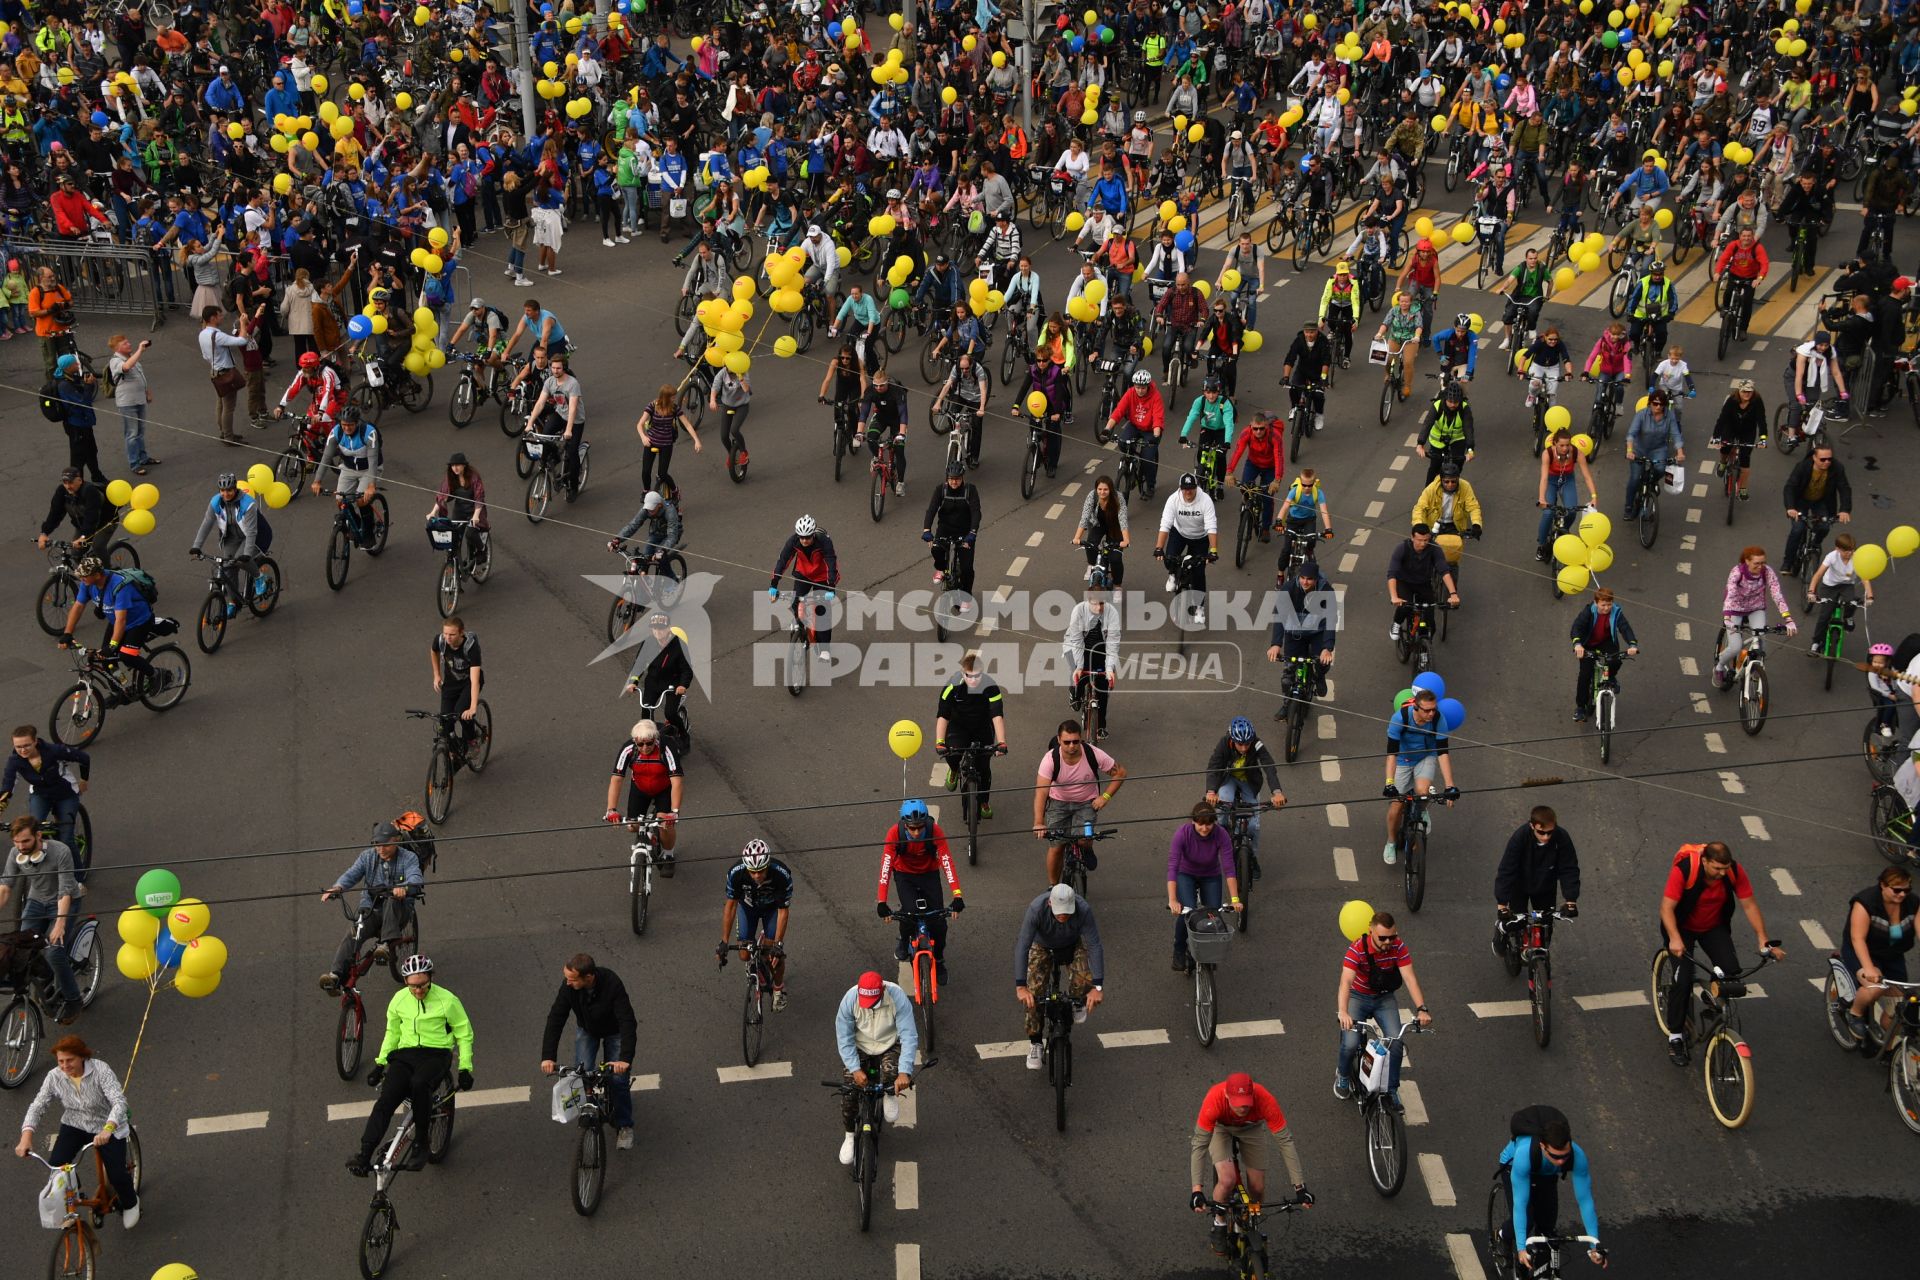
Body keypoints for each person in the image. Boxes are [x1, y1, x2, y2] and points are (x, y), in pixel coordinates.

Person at [1657, 841, 1785, 1064]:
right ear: (1705, 861)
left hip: (1713, 926)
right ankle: (1676, 1035)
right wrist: (1675, 939)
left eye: (1725, 869)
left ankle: (1710, 996)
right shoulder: (1685, 870)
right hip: (1681, 928)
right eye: (1717, 868)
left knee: (1730, 972)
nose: (1722, 873)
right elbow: (1666, 908)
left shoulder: (1733, 871)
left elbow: (1750, 905)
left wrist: (1763, 939)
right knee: (1683, 979)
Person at [349, 955, 475, 1176]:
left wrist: (465, 1068)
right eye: (413, 986)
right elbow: (392, 1033)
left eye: (423, 985)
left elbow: (464, 1035)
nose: (418, 991)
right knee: (387, 1098)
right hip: (405, 1056)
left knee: (419, 1084)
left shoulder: (448, 1000)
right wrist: (380, 1063)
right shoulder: (398, 1000)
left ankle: (421, 1143)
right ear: (406, 981)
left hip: (436, 1054)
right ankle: (364, 1152)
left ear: (431, 978)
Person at [14, 1036, 138, 1227]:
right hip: (75, 1124)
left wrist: (108, 1129)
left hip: (107, 1126)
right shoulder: (54, 1076)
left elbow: (119, 1101)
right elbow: (37, 1106)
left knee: (117, 1175)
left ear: (82, 1057)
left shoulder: (100, 1070)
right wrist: (26, 1137)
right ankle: (75, 1195)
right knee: (57, 1167)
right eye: (60, 1061)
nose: (64, 1066)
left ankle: (131, 1203)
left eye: (69, 1060)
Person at [1188, 1072, 1311, 1255]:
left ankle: (1249, 1217)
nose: (1243, 1107)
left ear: (1252, 1094)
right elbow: (1199, 1146)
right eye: (1238, 1103)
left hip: (1251, 1128)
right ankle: (1219, 1223)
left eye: (1246, 1101)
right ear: (1227, 1096)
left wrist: (1300, 1187)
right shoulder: (1214, 1099)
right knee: (1227, 1180)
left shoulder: (1264, 1099)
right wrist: (1197, 1191)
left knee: (1258, 1187)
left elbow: (1285, 1141)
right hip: (1221, 1129)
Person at [1334, 908, 1433, 1107]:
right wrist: (1343, 1012)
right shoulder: (1356, 949)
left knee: (1395, 1042)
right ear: (1371, 931)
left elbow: (1409, 977)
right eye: (1383, 938)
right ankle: (1342, 1075)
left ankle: (1392, 1089)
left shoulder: (1398, 946)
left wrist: (1422, 1008)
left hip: (1384, 999)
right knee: (1351, 1043)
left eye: (1392, 937)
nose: (1389, 942)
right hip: (1358, 997)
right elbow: (1345, 982)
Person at [539, 953, 638, 1149]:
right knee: (582, 1073)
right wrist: (548, 1056)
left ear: (589, 977)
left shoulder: (612, 984)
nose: (567, 982)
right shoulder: (569, 987)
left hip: (614, 1031)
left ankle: (624, 1125)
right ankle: (590, 1111)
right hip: (588, 1029)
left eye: (572, 979)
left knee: (617, 1080)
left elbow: (627, 1022)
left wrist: (624, 1060)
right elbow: (556, 1018)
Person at [318, 820, 425, 993]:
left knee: (391, 898)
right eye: (377, 845)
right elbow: (352, 874)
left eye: (385, 845)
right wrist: (338, 887)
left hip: (398, 911)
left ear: (396, 841)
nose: (380, 849)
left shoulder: (408, 857)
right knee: (353, 932)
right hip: (371, 910)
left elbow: (415, 877)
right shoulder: (367, 857)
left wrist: (404, 888)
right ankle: (335, 976)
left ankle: (384, 945)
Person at [1495, 1106, 1605, 1273]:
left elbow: (1585, 1201)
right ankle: (1504, 1235)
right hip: (1515, 1167)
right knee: (1527, 1219)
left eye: (1564, 1156)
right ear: (1542, 1146)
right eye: (1555, 1156)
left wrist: (1594, 1245)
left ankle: (1544, 1272)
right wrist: (1521, 1248)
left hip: (1546, 1174)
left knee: (1547, 1229)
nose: (1561, 1162)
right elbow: (1520, 1204)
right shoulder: (1525, 1155)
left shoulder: (1577, 1156)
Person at [0, 816, 85, 1023]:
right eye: (17, 842)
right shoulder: (15, 853)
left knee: (54, 951)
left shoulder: (60, 851)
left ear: (39, 835)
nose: (21, 847)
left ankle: (74, 999)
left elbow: (65, 892)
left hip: (66, 900)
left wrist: (60, 924)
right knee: (23, 947)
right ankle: (47, 979)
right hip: (36, 902)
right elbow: (5, 888)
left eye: (26, 841)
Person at [1014, 882, 1105, 1069]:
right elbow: (1023, 946)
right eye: (1059, 911)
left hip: (1071, 944)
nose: (1063, 915)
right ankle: (1036, 1043)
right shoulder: (1036, 909)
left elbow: (1094, 944)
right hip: (1042, 946)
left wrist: (1098, 987)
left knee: (1083, 979)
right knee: (1033, 994)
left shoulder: (1084, 909)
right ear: (1049, 904)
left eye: (1067, 911)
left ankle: (1077, 1003)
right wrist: (1021, 986)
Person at [832, 970, 918, 1164]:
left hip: (889, 1043)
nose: (869, 1006)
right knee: (850, 1093)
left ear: (883, 990)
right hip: (860, 1045)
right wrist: (855, 1069)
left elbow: (909, 1036)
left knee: (891, 1073)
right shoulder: (849, 999)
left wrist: (904, 1072)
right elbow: (844, 1038)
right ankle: (849, 1136)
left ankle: (889, 1094)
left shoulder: (898, 997)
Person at [1033, 720, 1126, 886]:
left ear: (1081, 739)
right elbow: (1041, 791)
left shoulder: (1093, 754)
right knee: (1057, 846)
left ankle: (1087, 849)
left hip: (1086, 804)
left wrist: (1104, 797)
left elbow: (1120, 773)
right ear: (1059, 740)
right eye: (1066, 742)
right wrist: (1039, 822)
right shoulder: (1050, 760)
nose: (1071, 746)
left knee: (1083, 839)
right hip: (1058, 804)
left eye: (1076, 741)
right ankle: (1053, 887)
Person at [877, 801, 965, 974]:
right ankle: (903, 941)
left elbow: (946, 861)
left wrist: (957, 895)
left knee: (939, 923)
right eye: (912, 828)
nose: (916, 832)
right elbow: (886, 867)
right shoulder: (895, 833)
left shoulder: (935, 831)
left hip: (929, 875)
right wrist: (882, 901)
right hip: (904, 875)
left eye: (920, 827)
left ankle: (939, 959)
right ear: (905, 824)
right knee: (909, 914)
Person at [59, 556, 160, 694]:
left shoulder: (120, 586)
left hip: (138, 622)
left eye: (84, 576)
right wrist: (67, 633)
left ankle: (155, 674)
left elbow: (122, 620)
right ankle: (122, 688)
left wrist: (112, 646)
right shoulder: (87, 583)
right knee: (106, 659)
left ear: (97, 575)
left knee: (127, 656)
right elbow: (78, 607)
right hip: (115, 621)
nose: (81, 578)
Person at [1202, 717, 1286, 880]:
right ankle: (1223, 832)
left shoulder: (1256, 743)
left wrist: (1277, 792)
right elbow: (1213, 767)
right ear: (1232, 739)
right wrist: (1211, 792)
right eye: (1240, 744)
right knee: (1222, 806)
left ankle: (1252, 858)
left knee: (1253, 825)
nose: (1244, 748)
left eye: (1247, 744)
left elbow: (1269, 766)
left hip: (1249, 781)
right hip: (1228, 779)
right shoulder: (1223, 743)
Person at [1382, 688, 1458, 866]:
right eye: (1427, 710)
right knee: (1396, 806)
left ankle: (1422, 810)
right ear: (1416, 707)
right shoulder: (1400, 719)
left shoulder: (1439, 719)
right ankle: (1391, 842)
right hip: (1402, 760)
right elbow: (1391, 754)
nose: (1431, 713)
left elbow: (1443, 753)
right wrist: (1389, 783)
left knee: (1422, 791)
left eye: (1434, 709)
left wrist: (1450, 786)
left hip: (1426, 757)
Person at [1838, 866, 1915, 1041]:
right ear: (1883, 885)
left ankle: (1888, 1051)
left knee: (1900, 1008)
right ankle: (1855, 1014)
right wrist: (1868, 968)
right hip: (1863, 951)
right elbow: (1858, 939)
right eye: (1897, 890)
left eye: (1906, 890)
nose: (1902, 895)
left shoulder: (1913, 903)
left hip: (1892, 954)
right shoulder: (1865, 902)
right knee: (1875, 988)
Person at [1493, 807, 1582, 955]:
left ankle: (1540, 964)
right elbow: (1506, 870)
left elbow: (1569, 868)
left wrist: (1571, 900)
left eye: (1550, 832)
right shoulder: (1519, 838)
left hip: (1545, 886)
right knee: (1518, 922)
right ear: (1532, 826)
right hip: (1519, 885)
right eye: (1541, 832)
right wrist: (1502, 904)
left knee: (1546, 926)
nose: (1546, 837)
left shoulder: (1562, 837)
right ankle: (1502, 929)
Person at [1167, 802, 1242, 970]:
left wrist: (1235, 899)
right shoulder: (1182, 834)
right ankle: (1179, 950)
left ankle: (1209, 951)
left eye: (1209, 823)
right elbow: (1172, 867)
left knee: (1213, 914)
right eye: (1200, 823)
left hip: (1210, 875)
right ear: (1193, 821)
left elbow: (1229, 868)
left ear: (1214, 822)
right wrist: (1173, 900)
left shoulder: (1221, 834)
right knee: (1188, 911)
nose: (1205, 828)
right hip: (1186, 874)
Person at [719, 839, 793, 1007]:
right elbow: (730, 907)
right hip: (748, 908)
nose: (757, 875)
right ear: (746, 868)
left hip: (772, 909)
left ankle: (778, 988)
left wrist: (778, 944)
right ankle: (756, 963)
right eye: (752, 872)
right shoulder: (735, 873)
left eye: (760, 871)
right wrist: (724, 941)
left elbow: (783, 911)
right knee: (744, 955)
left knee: (774, 957)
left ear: (768, 865)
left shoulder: (781, 874)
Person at [604, 720, 683, 871]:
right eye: (640, 744)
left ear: (655, 739)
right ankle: (650, 837)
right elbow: (617, 779)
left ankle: (668, 854)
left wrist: (674, 812)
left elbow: (677, 782)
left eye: (649, 743)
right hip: (640, 788)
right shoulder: (628, 748)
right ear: (635, 741)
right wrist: (611, 809)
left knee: (665, 826)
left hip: (664, 789)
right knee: (632, 826)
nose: (645, 748)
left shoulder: (666, 748)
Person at [1715, 546, 1796, 686]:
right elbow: (1730, 594)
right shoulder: (1737, 572)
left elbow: (1777, 595)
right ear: (1746, 561)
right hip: (1735, 609)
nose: (1761, 566)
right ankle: (1719, 666)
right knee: (1735, 647)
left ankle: (1753, 669)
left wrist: (1788, 619)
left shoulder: (1767, 572)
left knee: (1761, 642)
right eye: (1756, 563)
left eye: (1763, 562)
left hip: (1756, 609)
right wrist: (1727, 617)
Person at [1, 729, 88, 858]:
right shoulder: (14, 761)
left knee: (66, 841)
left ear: (35, 741)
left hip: (65, 793)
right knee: (33, 830)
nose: (23, 750)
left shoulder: (55, 751)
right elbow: (8, 787)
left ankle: (78, 876)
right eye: (18, 747)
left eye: (26, 745)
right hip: (40, 794)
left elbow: (84, 758)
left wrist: (83, 780)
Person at [936, 652, 1007, 808]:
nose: (973, 680)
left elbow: (996, 716)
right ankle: (954, 770)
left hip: (982, 727)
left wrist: (1001, 742)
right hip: (958, 726)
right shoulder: (952, 686)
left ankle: (983, 802)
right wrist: (940, 742)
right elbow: (943, 716)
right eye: (969, 676)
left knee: (984, 767)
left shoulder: (991, 687)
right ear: (963, 673)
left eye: (977, 676)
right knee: (953, 754)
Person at [310, 407, 384, 545]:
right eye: (344, 425)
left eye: (350, 425)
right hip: (349, 468)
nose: (347, 428)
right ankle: (356, 525)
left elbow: (373, 461)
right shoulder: (336, 432)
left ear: (357, 423)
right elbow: (326, 457)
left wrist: (371, 485)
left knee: (362, 500)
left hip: (369, 469)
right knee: (341, 500)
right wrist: (317, 481)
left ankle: (368, 532)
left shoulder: (369, 433)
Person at [1156, 472, 1221, 624]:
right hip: (1179, 533)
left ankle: (1199, 609)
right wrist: (1159, 548)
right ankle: (1173, 574)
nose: (1188, 492)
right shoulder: (1173, 499)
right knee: (1169, 559)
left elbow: (1212, 527)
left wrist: (1213, 551)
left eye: (1191, 488)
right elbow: (1165, 524)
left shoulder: (1205, 500)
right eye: (1185, 489)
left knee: (1198, 573)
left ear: (1196, 487)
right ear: (1180, 488)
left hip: (1200, 538)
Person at [770, 514, 840, 655]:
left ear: (813, 534)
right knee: (796, 603)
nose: (804, 540)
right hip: (803, 575)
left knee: (822, 612)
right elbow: (783, 561)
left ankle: (824, 649)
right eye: (801, 537)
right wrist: (774, 584)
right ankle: (801, 632)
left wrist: (831, 588)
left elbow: (831, 564)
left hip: (822, 577)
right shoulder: (793, 541)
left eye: (807, 537)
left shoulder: (824, 542)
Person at [1568, 586, 1639, 721]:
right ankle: (1580, 708)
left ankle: (1611, 677)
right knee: (1585, 675)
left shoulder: (1616, 612)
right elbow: (1577, 627)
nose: (1606, 608)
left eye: (1609, 604)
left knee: (1616, 660)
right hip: (1588, 644)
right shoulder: (1588, 611)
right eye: (1603, 605)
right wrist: (1577, 644)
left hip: (1606, 642)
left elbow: (1625, 628)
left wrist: (1632, 644)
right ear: (1596, 603)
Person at [1781, 445, 1852, 576]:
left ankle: (1815, 543)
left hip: (1821, 501)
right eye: (1823, 459)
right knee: (1798, 529)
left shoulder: (1837, 468)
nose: (1827, 462)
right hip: (1801, 500)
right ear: (1814, 457)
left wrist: (1844, 510)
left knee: (1824, 526)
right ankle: (1788, 561)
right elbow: (1790, 487)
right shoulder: (1802, 467)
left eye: (1829, 459)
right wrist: (1790, 508)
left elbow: (1844, 489)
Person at [528, 351, 588, 500]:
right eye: (553, 368)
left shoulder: (572, 384)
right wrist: (530, 423)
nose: (555, 371)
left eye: (558, 368)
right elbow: (541, 403)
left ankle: (573, 487)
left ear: (564, 368)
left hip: (575, 421)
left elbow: (573, 408)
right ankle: (554, 458)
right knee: (545, 437)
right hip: (560, 415)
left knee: (572, 453)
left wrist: (568, 430)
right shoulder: (550, 382)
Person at [1387, 524, 1458, 640]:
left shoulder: (1434, 548)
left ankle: (1424, 647)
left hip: (1423, 583)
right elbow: (1392, 574)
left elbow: (1444, 571)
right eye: (1420, 540)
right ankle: (1396, 623)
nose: (1423, 544)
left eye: (1426, 540)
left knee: (1430, 623)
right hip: (1405, 582)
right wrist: (1394, 597)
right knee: (1405, 606)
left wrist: (1453, 594)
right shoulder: (1401, 548)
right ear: (1412, 537)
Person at [1535, 430, 1598, 561]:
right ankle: (1542, 545)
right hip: (1551, 481)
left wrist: (1594, 496)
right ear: (1555, 444)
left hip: (1567, 480)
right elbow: (1544, 478)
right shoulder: (1547, 454)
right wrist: (1541, 498)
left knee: (1571, 511)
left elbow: (1587, 476)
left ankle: (1562, 531)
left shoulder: (1576, 452)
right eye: (1561, 445)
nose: (1565, 448)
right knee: (1548, 513)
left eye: (1567, 445)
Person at [922, 463, 981, 601]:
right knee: (936, 549)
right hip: (945, 528)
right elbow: (931, 509)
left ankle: (966, 597)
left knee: (966, 568)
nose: (954, 482)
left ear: (962, 478)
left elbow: (976, 512)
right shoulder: (940, 490)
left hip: (965, 531)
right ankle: (941, 569)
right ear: (947, 478)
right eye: (951, 478)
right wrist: (927, 530)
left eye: (957, 479)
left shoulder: (970, 490)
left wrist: (972, 533)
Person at [1106, 369, 1166, 499]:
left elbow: (1157, 418)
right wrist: (1107, 429)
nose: (1139, 390)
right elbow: (1119, 411)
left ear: (1148, 386)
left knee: (1147, 460)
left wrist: (1156, 435)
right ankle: (1131, 463)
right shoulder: (1130, 393)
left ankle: (1150, 485)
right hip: (1134, 425)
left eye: (1143, 388)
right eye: (1137, 387)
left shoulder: (1155, 396)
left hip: (1151, 430)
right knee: (1122, 442)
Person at [47, 353, 106, 485]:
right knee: (78, 457)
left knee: (91, 451)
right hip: (76, 425)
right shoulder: (64, 385)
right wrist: (89, 386)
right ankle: (77, 483)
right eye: (75, 363)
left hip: (84, 422)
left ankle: (97, 476)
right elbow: (83, 401)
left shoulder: (70, 377)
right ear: (67, 367)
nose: (78, 364)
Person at [1623, 392, 1684, 519]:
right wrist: (1629, 450)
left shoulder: (1669, 416)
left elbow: (1676, 435)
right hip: (1639, 450)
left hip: (1658, 449)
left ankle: (1651, 482)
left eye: (1661, 404)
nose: (1658, 407)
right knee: (1634, 479)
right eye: (1655, 403)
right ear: (1650, 403)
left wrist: (1680, 452)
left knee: (1661, 469)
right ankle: (1629, 506)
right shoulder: (1641, 415)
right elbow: (1631, 434)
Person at [429, 617, 483, 753]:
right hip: (451, 684)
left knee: (462, 713)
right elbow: (433, 651)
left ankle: (472, 740)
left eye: (452, 634)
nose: (448, 637)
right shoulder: (440, 640)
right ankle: (454, 749)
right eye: (445, 633)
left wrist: (472, 707)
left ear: (461, 633)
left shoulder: (471, 647)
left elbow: (475, 680)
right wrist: (436, 675)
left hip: (468, 683)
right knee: (445, 722)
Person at [199, 304, 250, 445]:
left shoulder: (202, 334)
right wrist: (243, 324)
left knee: (220, 404)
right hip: (226, 373)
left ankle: (224, 432)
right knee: (229, 406)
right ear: (212, 318)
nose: (222, 317)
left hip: (215, 372)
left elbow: (205, 356)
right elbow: (242, 340)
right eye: (219, 315)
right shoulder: (217, 335)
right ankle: (228, 436)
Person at [106, 335, 157, 474]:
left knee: (140, 432)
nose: (129, 344)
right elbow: (127, 367)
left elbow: (140, 376)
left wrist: (147, 391)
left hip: (139, 399)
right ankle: (134, 464)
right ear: (117, 348)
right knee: (132, 434)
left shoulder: (132, 357)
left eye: (128, 341)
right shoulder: (115, 361)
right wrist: (140, 350)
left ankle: (143, 458)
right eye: (125, 343)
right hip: (127, 403)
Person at [1710, 378, 1767, 500]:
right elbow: (1722, 419)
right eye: (1744, 391)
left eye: (1749, 392)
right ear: (1739, 391)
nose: (1747, 394)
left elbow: (1761, 420)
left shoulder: (1757, 401)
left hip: (1748, 430)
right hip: (1731, 427)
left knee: (1745, 458)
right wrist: (1715, 437)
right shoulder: (1731, 401)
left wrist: (1763, 439)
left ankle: (1743, 489)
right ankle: (1723, 463)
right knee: (1726, 447)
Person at [429, 454, 490, 566]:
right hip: (460, 510)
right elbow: (442, 495)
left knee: (470, 534)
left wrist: (476, 516)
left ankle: (482, 550)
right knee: (454, 535)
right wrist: (433, 512)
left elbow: (479, 497)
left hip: (475, 510)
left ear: (464, 466)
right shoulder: (451, 477)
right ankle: (455, 561)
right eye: (452, 466)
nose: (455, 468)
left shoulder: (474, 477)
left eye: (457, 465)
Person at [37, 468, 116, 553]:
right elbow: (55, 513)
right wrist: (44, 533)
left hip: (105, 522)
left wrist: (83, 537)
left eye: (70, 482)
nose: (68, 486)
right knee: (76, 552)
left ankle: (107, 566)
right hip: (83, 525)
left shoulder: (90, 491)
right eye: (65, 483)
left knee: (98, 548)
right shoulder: (62, 491)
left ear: (80, 480)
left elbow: (92, 517)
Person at [1416, 380, 1474, 484]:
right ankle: (1427, 492)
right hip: (1438, 440)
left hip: (1457, 440)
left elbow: (1468, 429)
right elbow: (1427, 424)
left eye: (1456, 402)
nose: (1453, 404)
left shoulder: (1464, 408)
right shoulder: (1437, 406)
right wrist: (1420, 444)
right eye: (1450, 401)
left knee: (1457, 466)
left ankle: (1453, 487)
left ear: (1460, 400)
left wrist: (1470, 449)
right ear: (1445, 398)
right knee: (1434, 467)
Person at [1281, 320, 1332, 437]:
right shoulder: (1299, 340)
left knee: (1318, 395)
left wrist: (1323, 379)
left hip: (1318, 373)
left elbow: (1326, 361)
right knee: (1293, 388)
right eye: (1307, 332)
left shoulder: (1323, 341)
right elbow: (1290, 358)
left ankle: (1319, 415)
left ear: (1317, 332)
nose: (1309, 335)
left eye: (1312, 332)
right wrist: (1285, 377)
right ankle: (1294, 408)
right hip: (1302, 371)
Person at [1410, 463, 1483, 542]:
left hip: (1455, 526)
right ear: (1441, 480)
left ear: (1458, 479)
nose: (1450, 484)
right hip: (1435, 526)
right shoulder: (1431, 489)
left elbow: (1473, 507)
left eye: (1453, 481)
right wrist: (1418, 525)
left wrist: (1476, 525)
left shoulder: (1465, 487)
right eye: (1446, 482)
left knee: (1454, 550)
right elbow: (1420, 508)